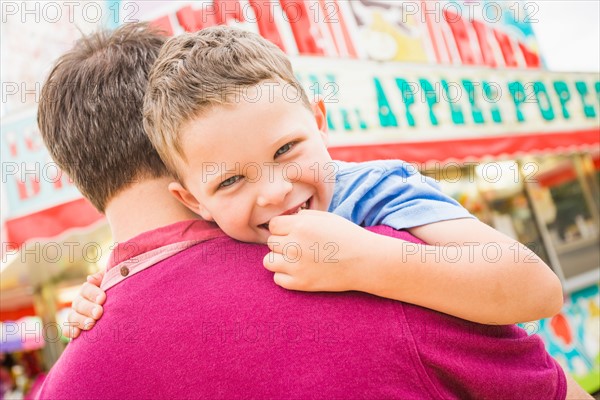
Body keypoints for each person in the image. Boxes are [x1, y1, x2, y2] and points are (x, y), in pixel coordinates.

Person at [34, 22, 589, 399]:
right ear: (188, 191)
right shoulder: (384, 306)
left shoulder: (374, 202)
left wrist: (368, 260)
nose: (274, 192)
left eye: (285, 150)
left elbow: (535, 287)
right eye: (231, 178)